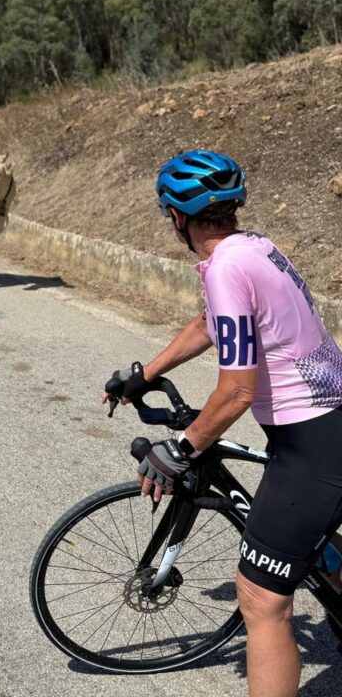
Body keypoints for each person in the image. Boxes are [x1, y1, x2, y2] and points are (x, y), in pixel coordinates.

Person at [106, 150, 342, 697]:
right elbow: (210, 322)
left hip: (314, 443)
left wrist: (181, 449)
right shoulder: (253, 247)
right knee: (317, 544)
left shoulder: (227, 268)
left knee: (261, 599)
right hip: (326, 423)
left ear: (177, 216)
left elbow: (236, 392)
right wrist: (146, 373)